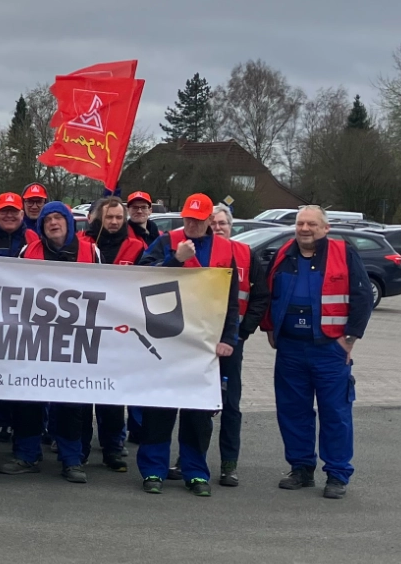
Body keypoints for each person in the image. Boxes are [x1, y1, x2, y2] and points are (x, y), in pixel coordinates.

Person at [132, 193, 239, 496]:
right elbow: (140, 277)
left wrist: (229, 338)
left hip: (203, 343)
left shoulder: (224, 249)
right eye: (188, 218)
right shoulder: (167, 241)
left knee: (198, 412)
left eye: (198, 219)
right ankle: (153, 470)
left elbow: (231, 301)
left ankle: (195, 472)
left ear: (209, 220)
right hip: (165, 338)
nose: (191, 224)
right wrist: (173, 259)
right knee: (159, 409)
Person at [263, 205, 373, 498]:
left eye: (312, 224)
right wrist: (271, 329)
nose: (305, 228)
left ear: (325, 228)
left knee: (335, 413)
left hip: (329, 349)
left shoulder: (343, 253)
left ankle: (337, 474)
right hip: (290, 349)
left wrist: (349, 338)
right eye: (300, 223)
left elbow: (362, 296)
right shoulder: (284, 253)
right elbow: (268, 291)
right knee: (292, 412)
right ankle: (301, 468)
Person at [0, 202, 97, 483]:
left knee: (71, 402)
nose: (53, 223)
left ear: (68, 222)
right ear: (40, 226)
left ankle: (71, 459)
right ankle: (27, 454)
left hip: (74, 340)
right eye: (47, 219)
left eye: (58, 218)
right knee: (28, 398)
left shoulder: (90, 251)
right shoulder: (28, 251)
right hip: (35, 338)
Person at [86, 195, 146, 471]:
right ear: (97, 218)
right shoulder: (83, 245)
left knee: (111, 395)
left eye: (118, 217)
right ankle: (79, 448)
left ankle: (113, 448)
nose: (113, 222)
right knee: (82, 394)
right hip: (85, 329)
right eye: (108, 217)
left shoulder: (137, 247)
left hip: (119, 333)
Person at [210, 204, 266, 487]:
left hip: (233, 343)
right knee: (198, 404)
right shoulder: (198, 254)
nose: (218, 227)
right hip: (200, 343)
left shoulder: (246, 255)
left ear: (231, 227)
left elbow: (260, 296)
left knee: (231, 405)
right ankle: (189, 459)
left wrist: (243, 331)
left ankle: (229, 465)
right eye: (213, 223)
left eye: (222, 223)